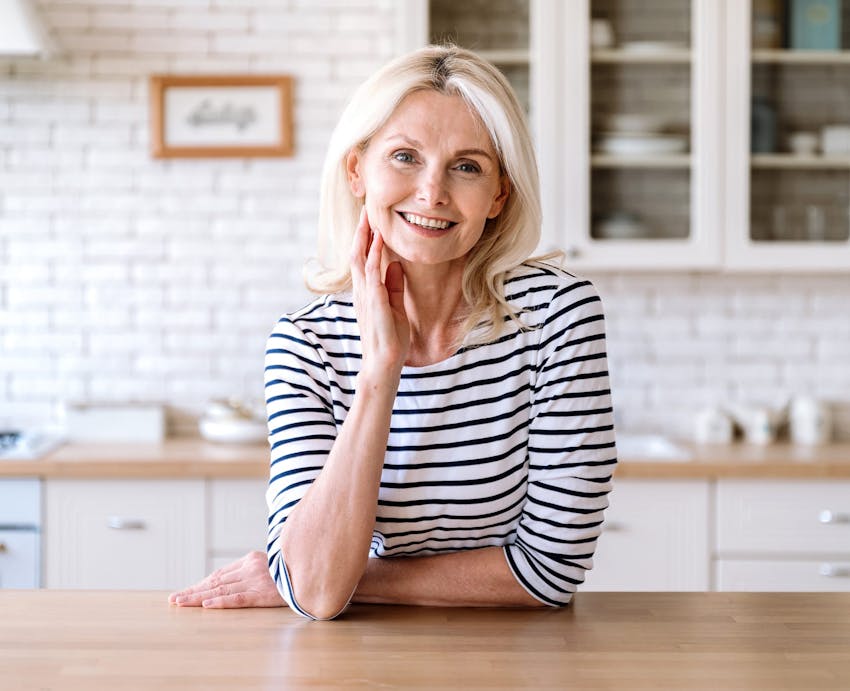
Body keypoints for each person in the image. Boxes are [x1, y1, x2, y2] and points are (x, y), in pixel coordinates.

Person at [169, 44, 617, 620]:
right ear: (357, 170)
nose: (432, 192)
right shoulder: (304, 345)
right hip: (356, 664)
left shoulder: (557, 318)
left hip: (517, 658)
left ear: (499, 195)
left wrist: (323, 576)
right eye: (405, 156)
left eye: (467, 166)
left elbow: (550, 573)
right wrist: (379, 371)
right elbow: (316, 593)